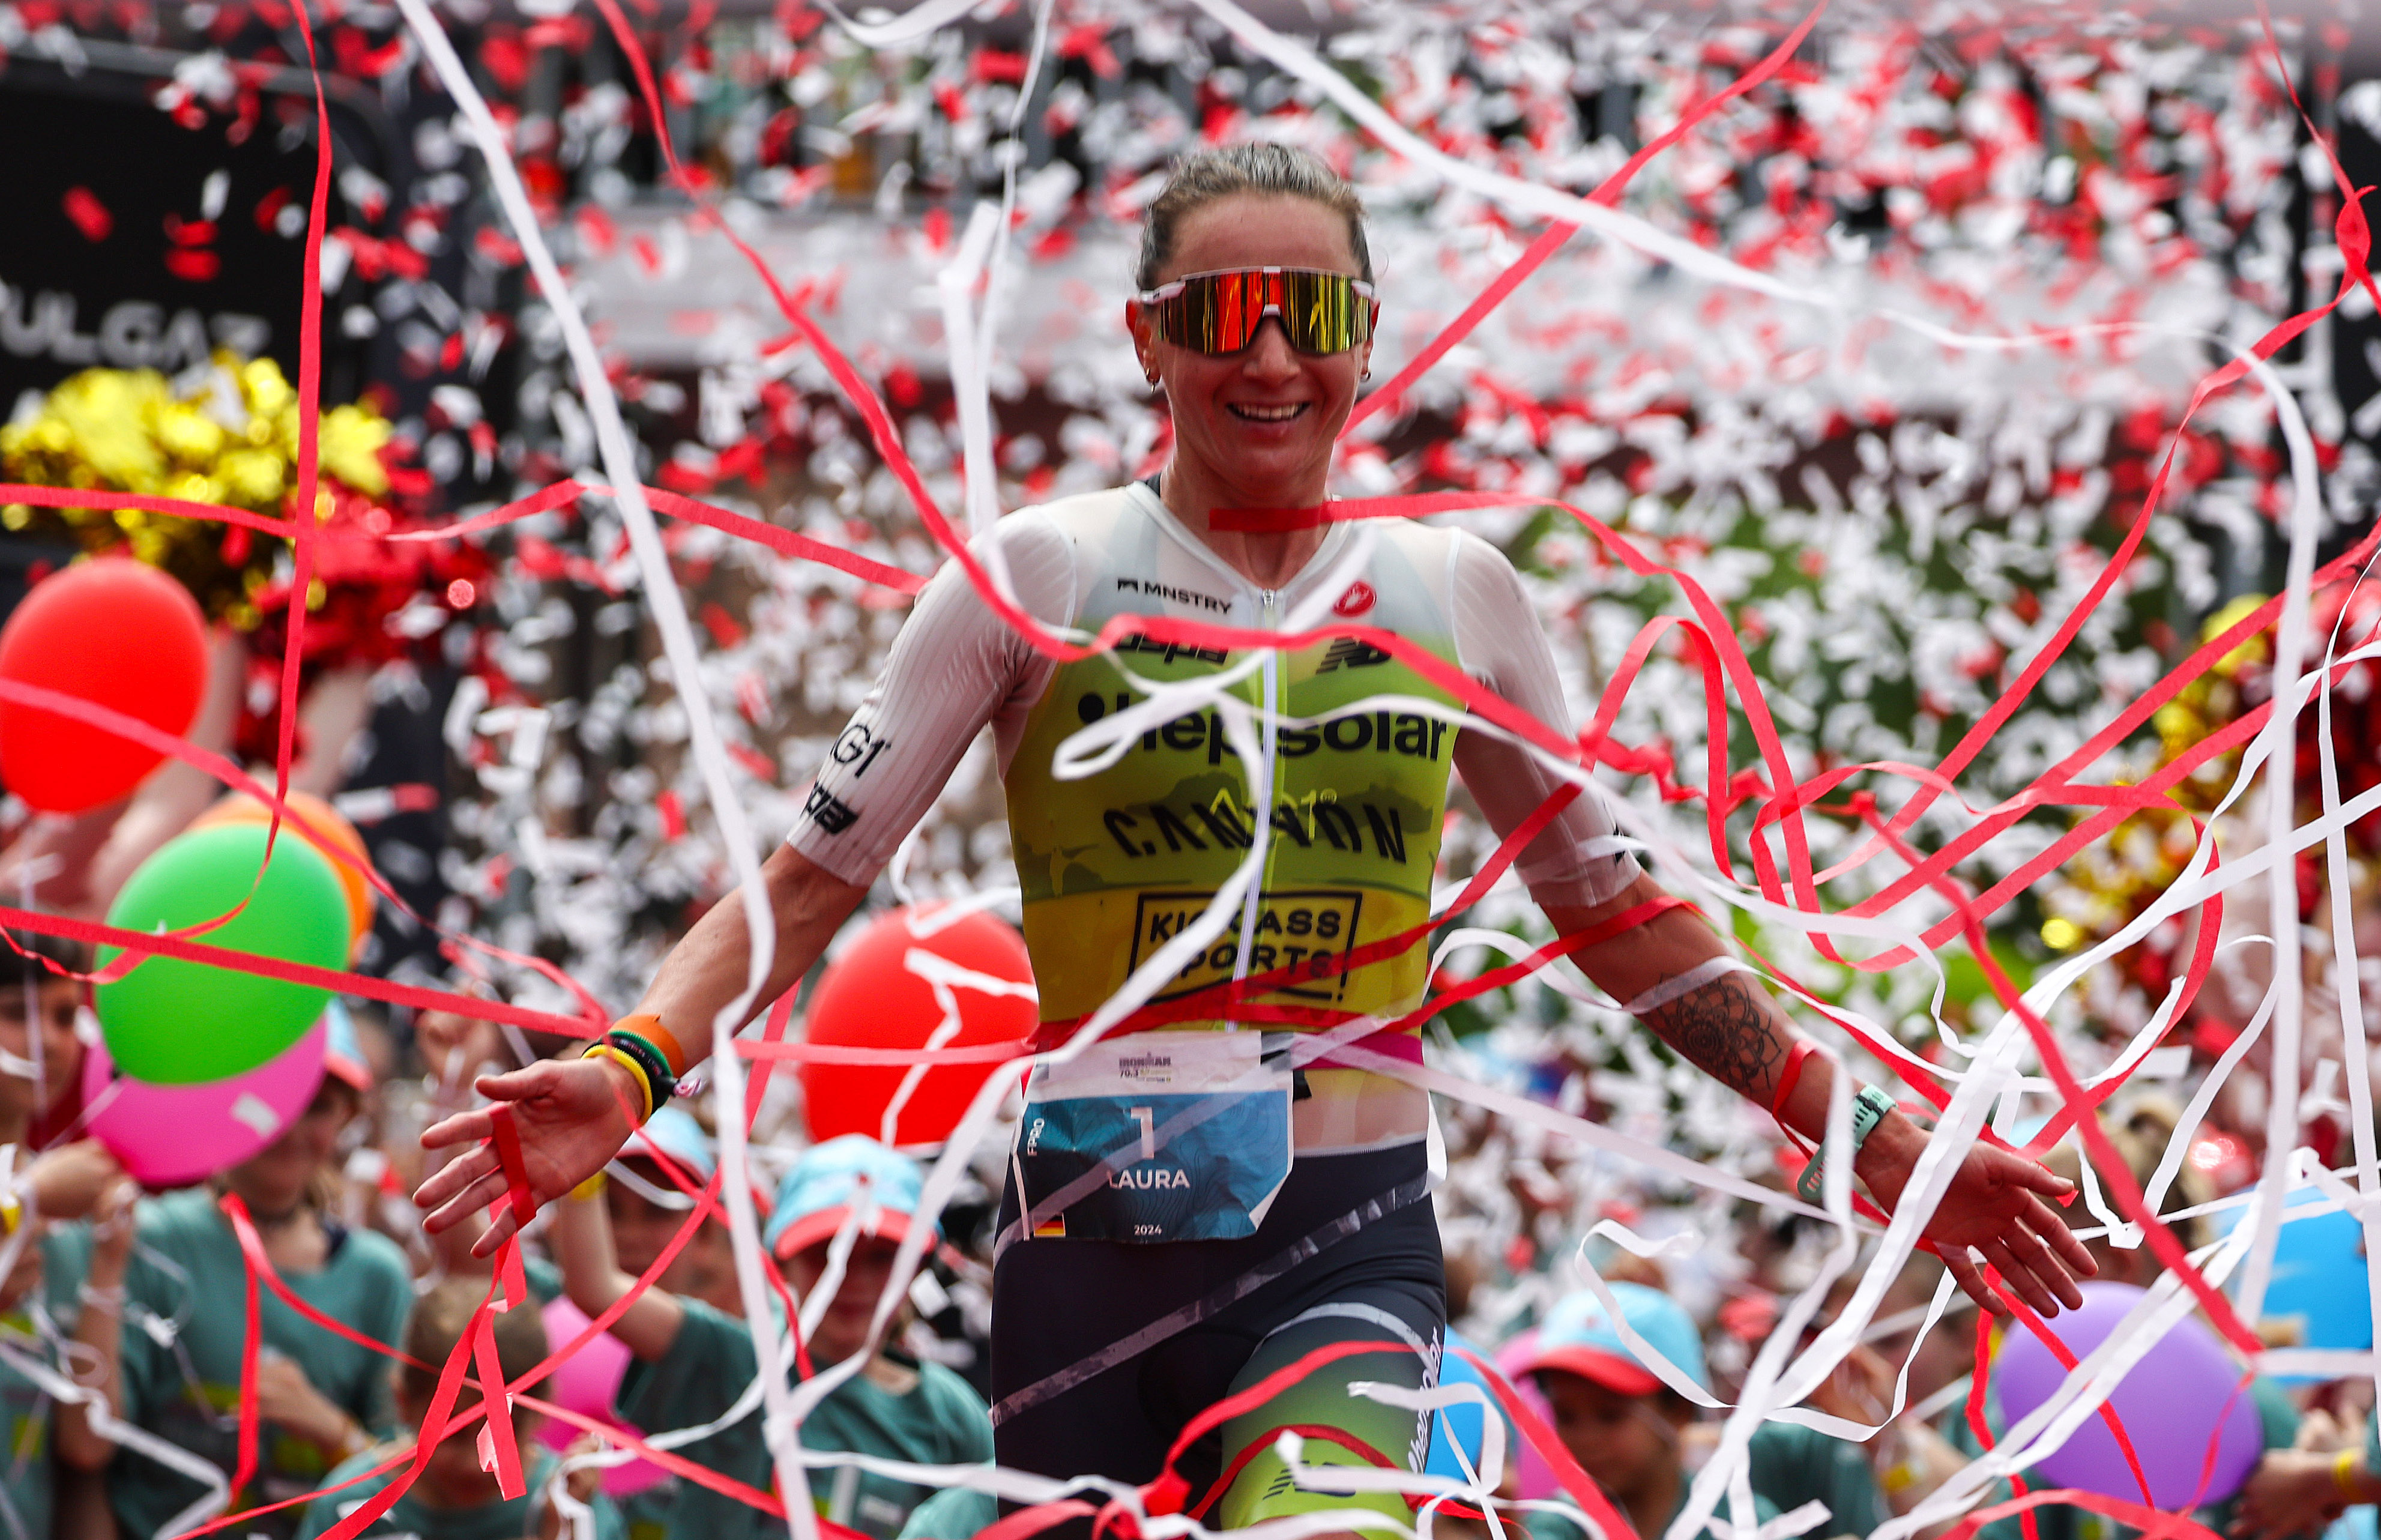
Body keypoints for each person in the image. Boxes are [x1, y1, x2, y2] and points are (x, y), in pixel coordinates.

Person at [415, 142, 2095, 1532]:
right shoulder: (1035, 574)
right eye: (1224, 314)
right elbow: (803, 885)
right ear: (1149, 341)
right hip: (1088, 1244)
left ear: (1367, 338)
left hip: (1344, 1237)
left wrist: (1876, 1140)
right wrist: (633, 1067)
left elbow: (1623, 921)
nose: (1271, 356)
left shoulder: (1455, 594)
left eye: (1314, 313)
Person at [57, 1006, 412, 1539]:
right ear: (219, 1092)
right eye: (270, 1097)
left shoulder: (378, 1276)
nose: (289, 1126)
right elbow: (88, 1448)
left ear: (347, 1116)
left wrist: (332, 1429)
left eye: (317, 1106)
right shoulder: (148, 1237)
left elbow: (411, 1486)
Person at [551, 1134, 994, 1540]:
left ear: (917, 1267)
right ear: (781, 1263)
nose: (852, 1279)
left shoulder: (951, 1416)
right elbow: (596, 1286)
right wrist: (583, 1150)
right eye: (826, 1254)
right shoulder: (737, 1360)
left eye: (881, 1258)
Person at [1521, 1282, 1886, 1540]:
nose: (1586, 1438)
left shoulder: (1743, 1527)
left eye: (1610, 1416)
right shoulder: (1556, 1528)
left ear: (1678, 1409)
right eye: (1566, 1416)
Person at [294, 1277, 624, 1540]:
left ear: (542, 1410)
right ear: (404, 1403)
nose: (473, 1465)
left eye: (500, 1439)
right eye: (451, 1433)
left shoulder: (572, 1507)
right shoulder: (352, 1509)